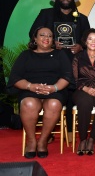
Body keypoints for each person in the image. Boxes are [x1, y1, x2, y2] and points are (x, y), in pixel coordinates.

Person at [29, 0, 90, 142]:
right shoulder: (46, 14)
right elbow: (33, 33)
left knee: (70, 97)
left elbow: (88, 40)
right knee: (49, 96)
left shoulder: (82, 18)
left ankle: (70, 132)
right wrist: (50, 43)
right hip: (51, 63)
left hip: (74, 63)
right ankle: (47, 133)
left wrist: (81, 46)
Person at [7, 27, 73, 159]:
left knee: (54, 104)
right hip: (30, 90)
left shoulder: (60, 54)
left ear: (53, 40)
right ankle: (31, 141)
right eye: (42, 35)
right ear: (35, 39)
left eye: (49, 36)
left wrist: (53, 88)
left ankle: (43, 141)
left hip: (55, 90)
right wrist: (30, 86)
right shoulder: (26, 55)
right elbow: (15, 78)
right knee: (29, 103)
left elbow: (67, 76)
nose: (46, 38)